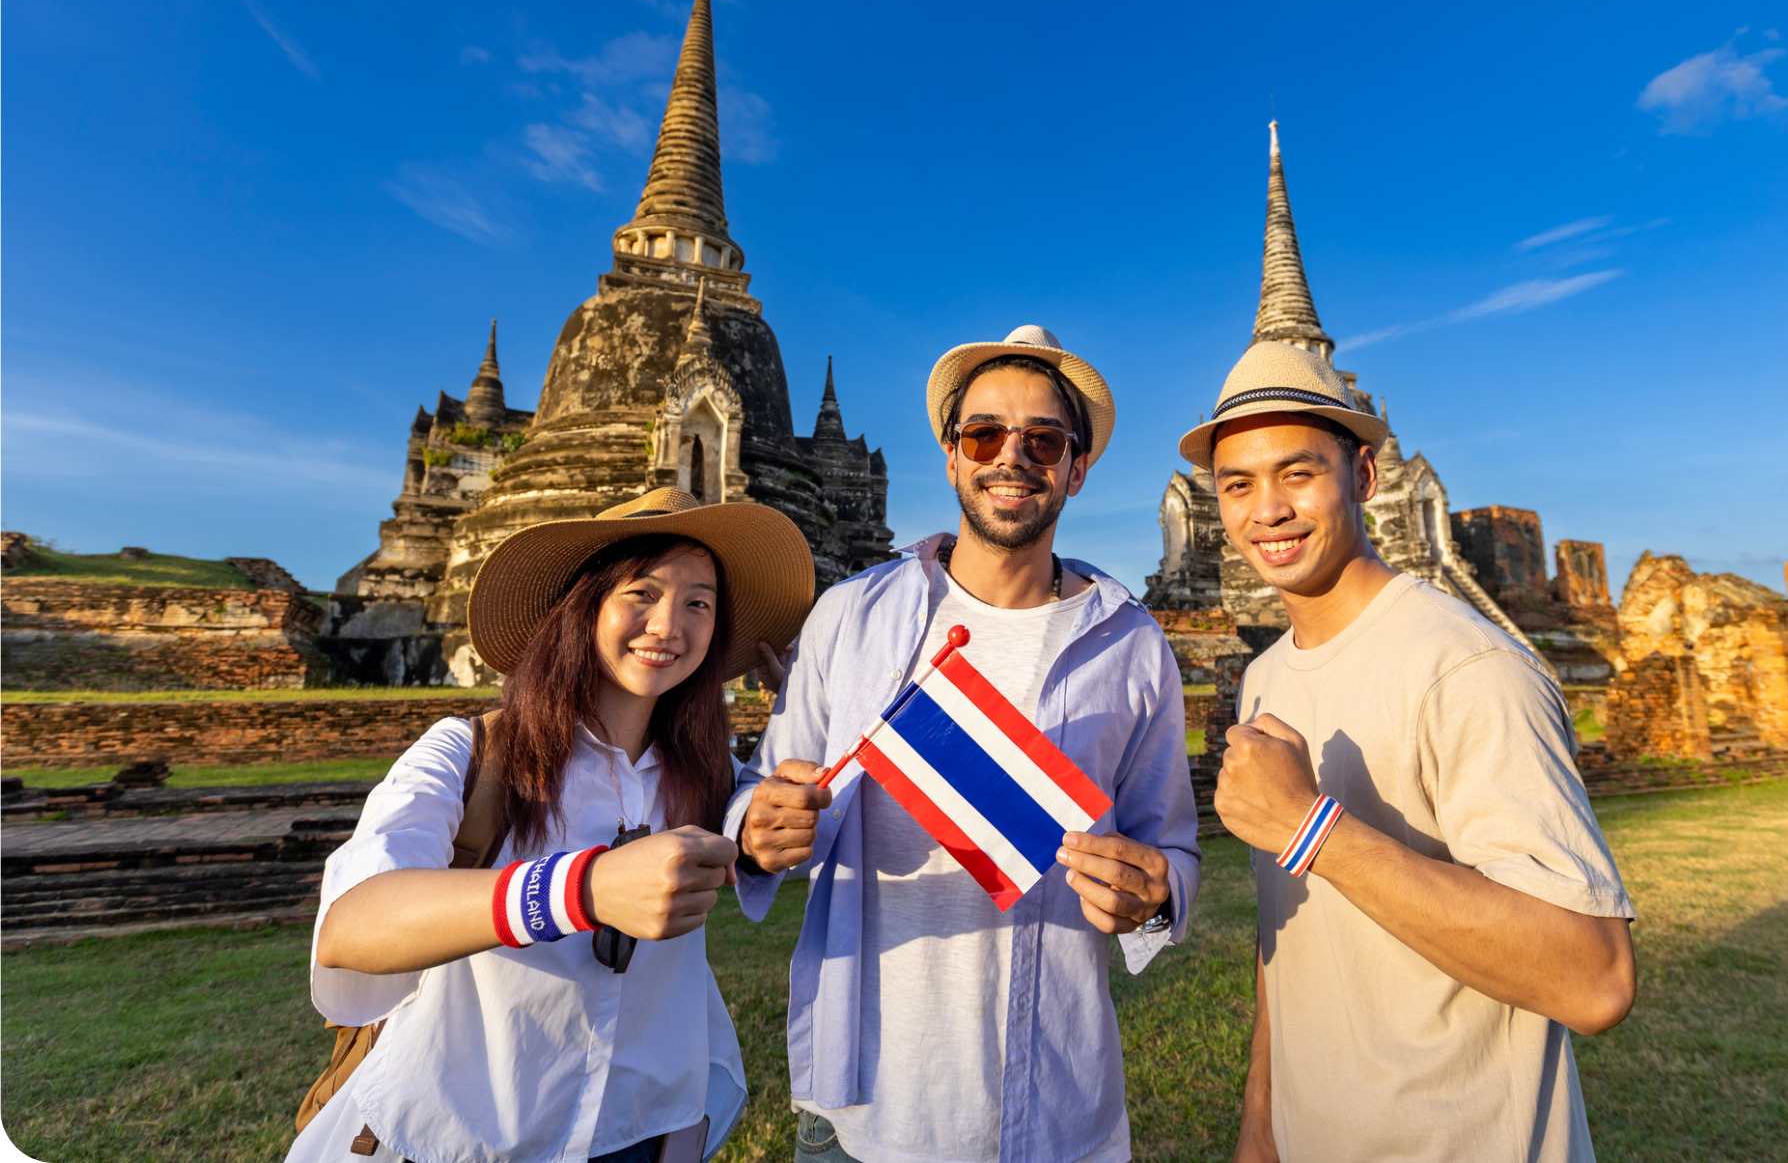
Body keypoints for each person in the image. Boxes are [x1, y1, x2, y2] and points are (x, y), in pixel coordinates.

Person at [726, 325, 1201, 1163]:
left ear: (1075, 469)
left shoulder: (1130, 643)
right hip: (870, 1103)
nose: (1010, 456)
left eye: (1043, 440)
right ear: (951, 458)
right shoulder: (854, 616)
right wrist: (757, 833)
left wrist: (1157, 891)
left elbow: (1174, 848)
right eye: (984, 433)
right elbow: (762, 791)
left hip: (1058, 1101)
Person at [1194, 341, 1637, 1163]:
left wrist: (1311, 826)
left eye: (1298, 472)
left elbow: (1594, 976)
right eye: (1239, 483)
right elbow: (1292, 939)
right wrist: (1263, 1120)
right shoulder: (1263, 680)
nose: (1269, 510)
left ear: (1364, 477)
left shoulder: (1471, 667)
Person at [291, 487, 814, 1163]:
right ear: (585, 605)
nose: (668, 626)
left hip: (640, 1130)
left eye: (698, 603)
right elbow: (351, 927)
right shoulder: (468, 753)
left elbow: (756, 812)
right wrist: (581, 888)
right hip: (469, 1130)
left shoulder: (709, 776)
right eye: (642, 593)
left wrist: (769, 805)